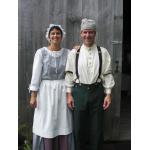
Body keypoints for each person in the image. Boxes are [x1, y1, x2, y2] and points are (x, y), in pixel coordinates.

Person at [65, 18, 115, 150]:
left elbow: (108, 73)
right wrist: (69, 94)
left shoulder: (102, 52)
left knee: (97, 127)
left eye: (91, 32)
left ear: (95, 33)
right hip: (78, 92)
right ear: (81, 34)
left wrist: (108, 94)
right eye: (85, 32)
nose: (88, 35)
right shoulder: (74, 53)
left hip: (97, 92)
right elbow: (69, 74)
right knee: (78, 127)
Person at [29, 24, 73, 150]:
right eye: (52, 33)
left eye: (58, 33)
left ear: (62, 36)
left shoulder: (68, 53)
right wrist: (33, 96)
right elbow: (36, 75)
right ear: (48, 36)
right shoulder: (41, 53)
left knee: (62, 120)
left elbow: (72, 71)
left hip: (62, 91)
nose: (55, 35)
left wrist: (78, 49)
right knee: (47, 121)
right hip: (45, 92)